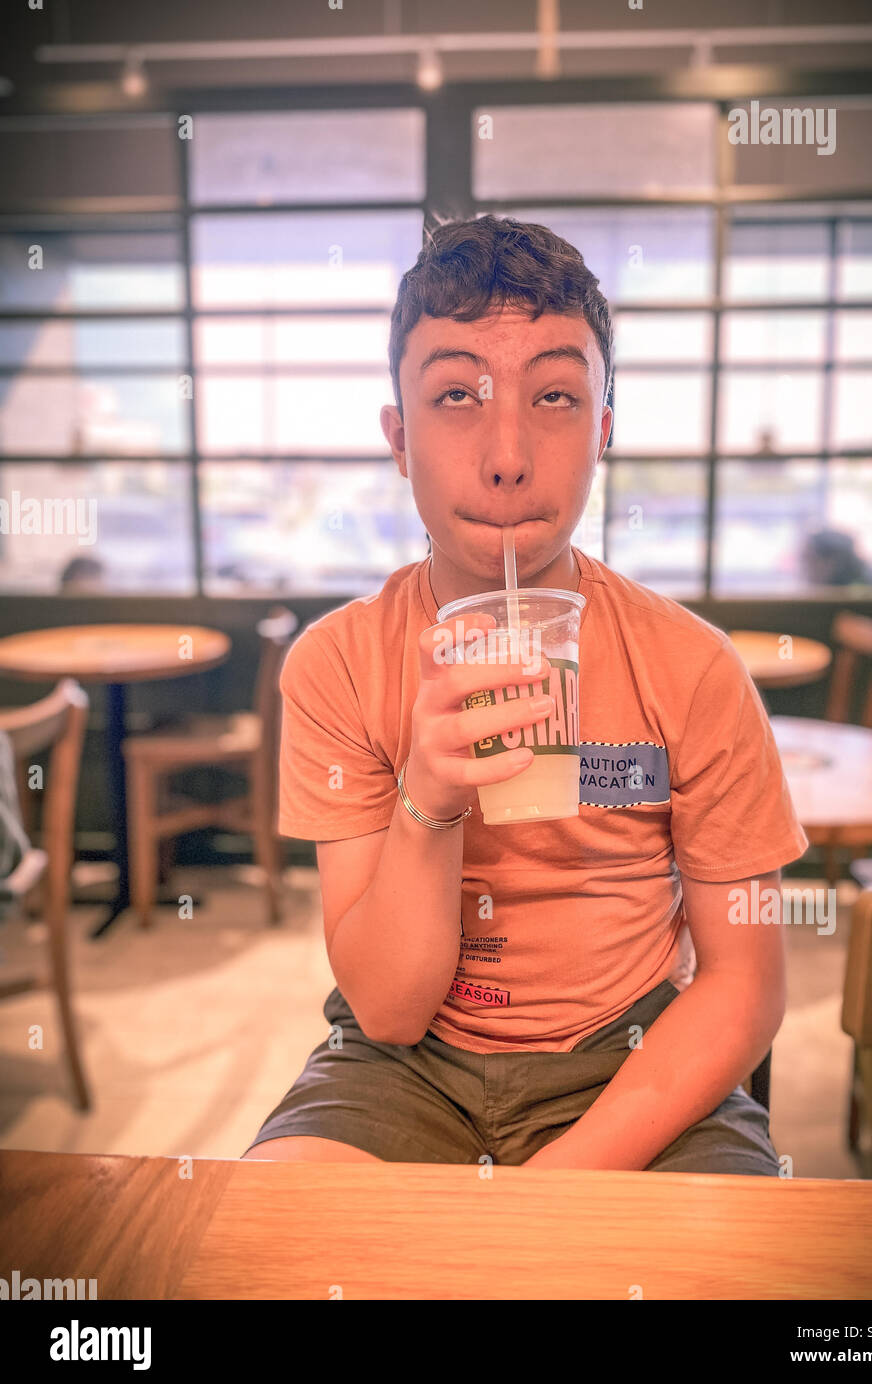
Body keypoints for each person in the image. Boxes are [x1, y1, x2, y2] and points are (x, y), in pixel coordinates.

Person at [243, 215, 809, 1174]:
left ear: (602, 432)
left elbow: (745, 983)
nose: (506, 454)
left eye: (553, 395)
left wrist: (559, 1180)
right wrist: (427, 803)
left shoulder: (693, 668)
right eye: (456, 394)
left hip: (631, 1056)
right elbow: (386, 1008)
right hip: (403, 1065)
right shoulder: (336, 664)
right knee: (274, 1241)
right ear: (398, 437)